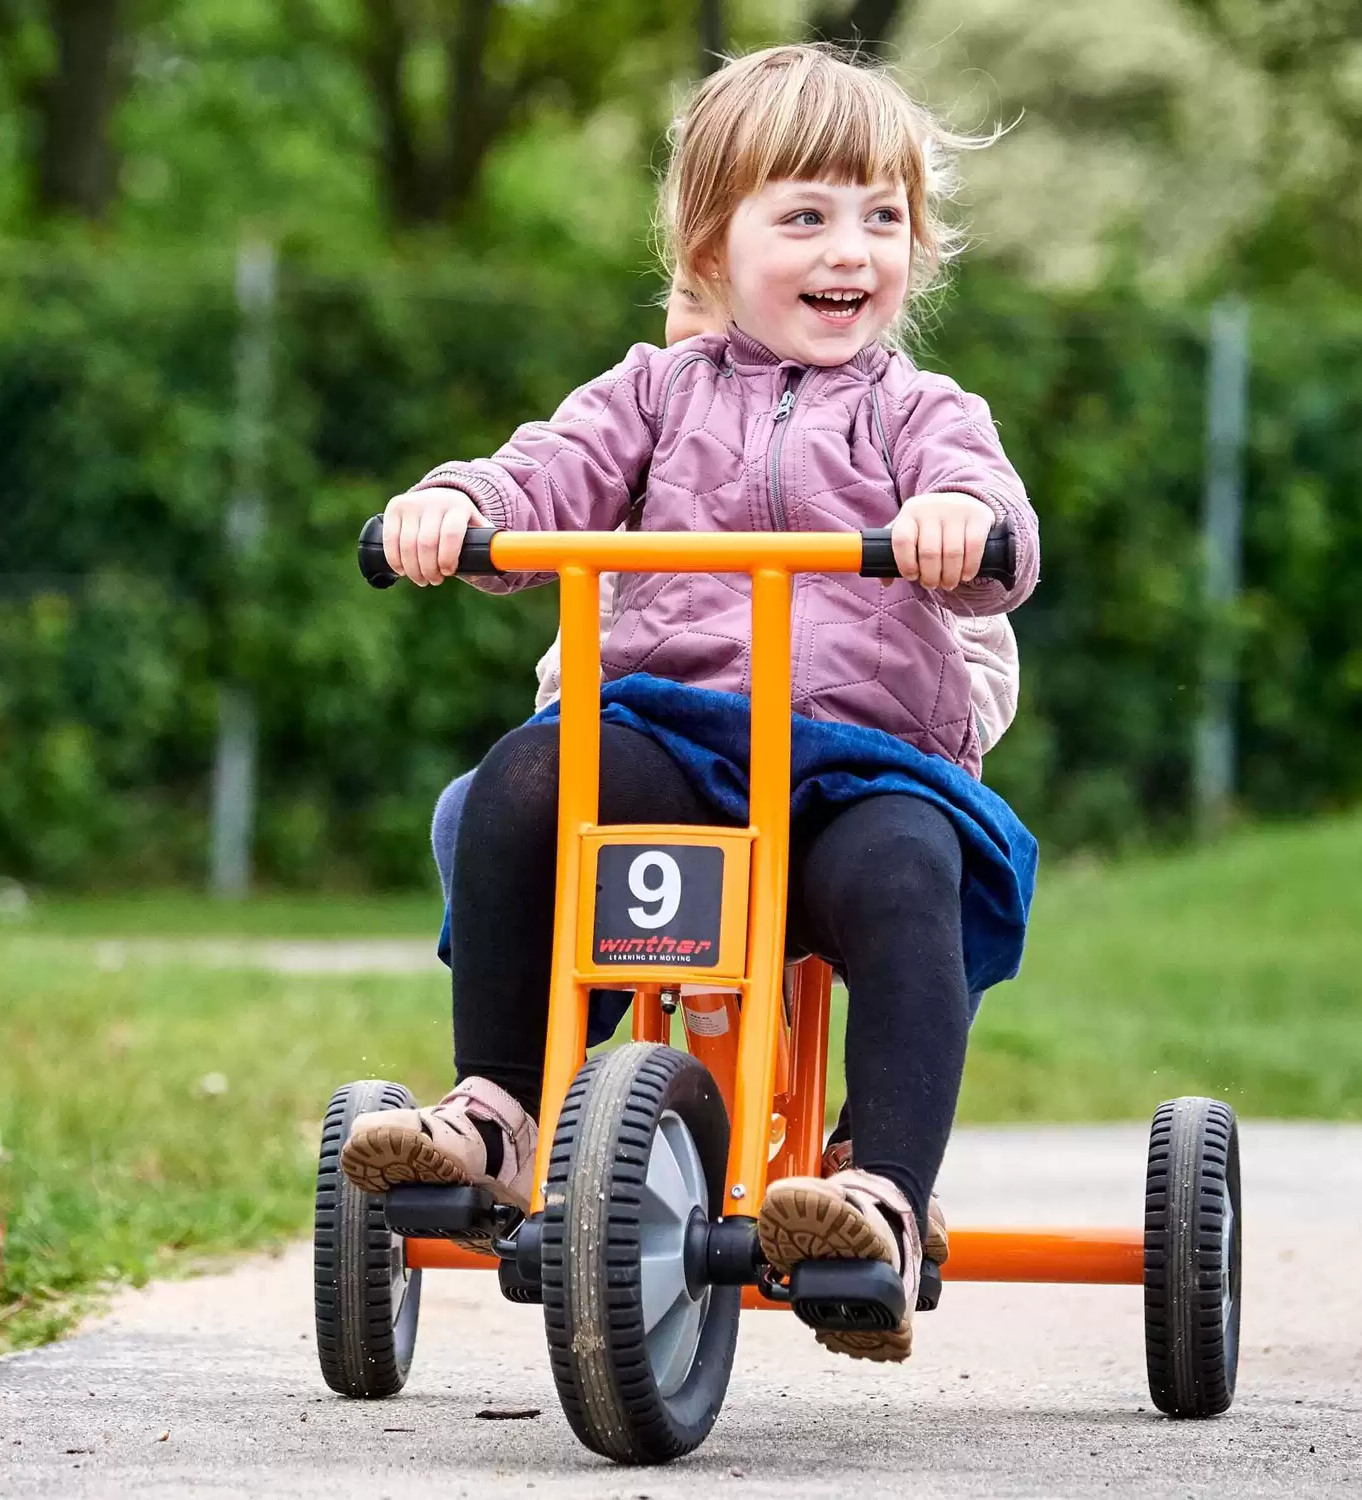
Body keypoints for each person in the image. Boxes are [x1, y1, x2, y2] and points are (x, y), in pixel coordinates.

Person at [344, 43, 1040, 1363]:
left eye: (881, 217)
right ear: (711, 245)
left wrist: (962, 520)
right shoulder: (653, 394)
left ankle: (875, 1193)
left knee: (909, 870)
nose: (852, 248)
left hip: (857, 763)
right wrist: (463, 507)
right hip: (676, 738)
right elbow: (550, 469)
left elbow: (992, 511)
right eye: (806, 214)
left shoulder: (920, 411)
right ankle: (500, 1114)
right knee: (530, 780)